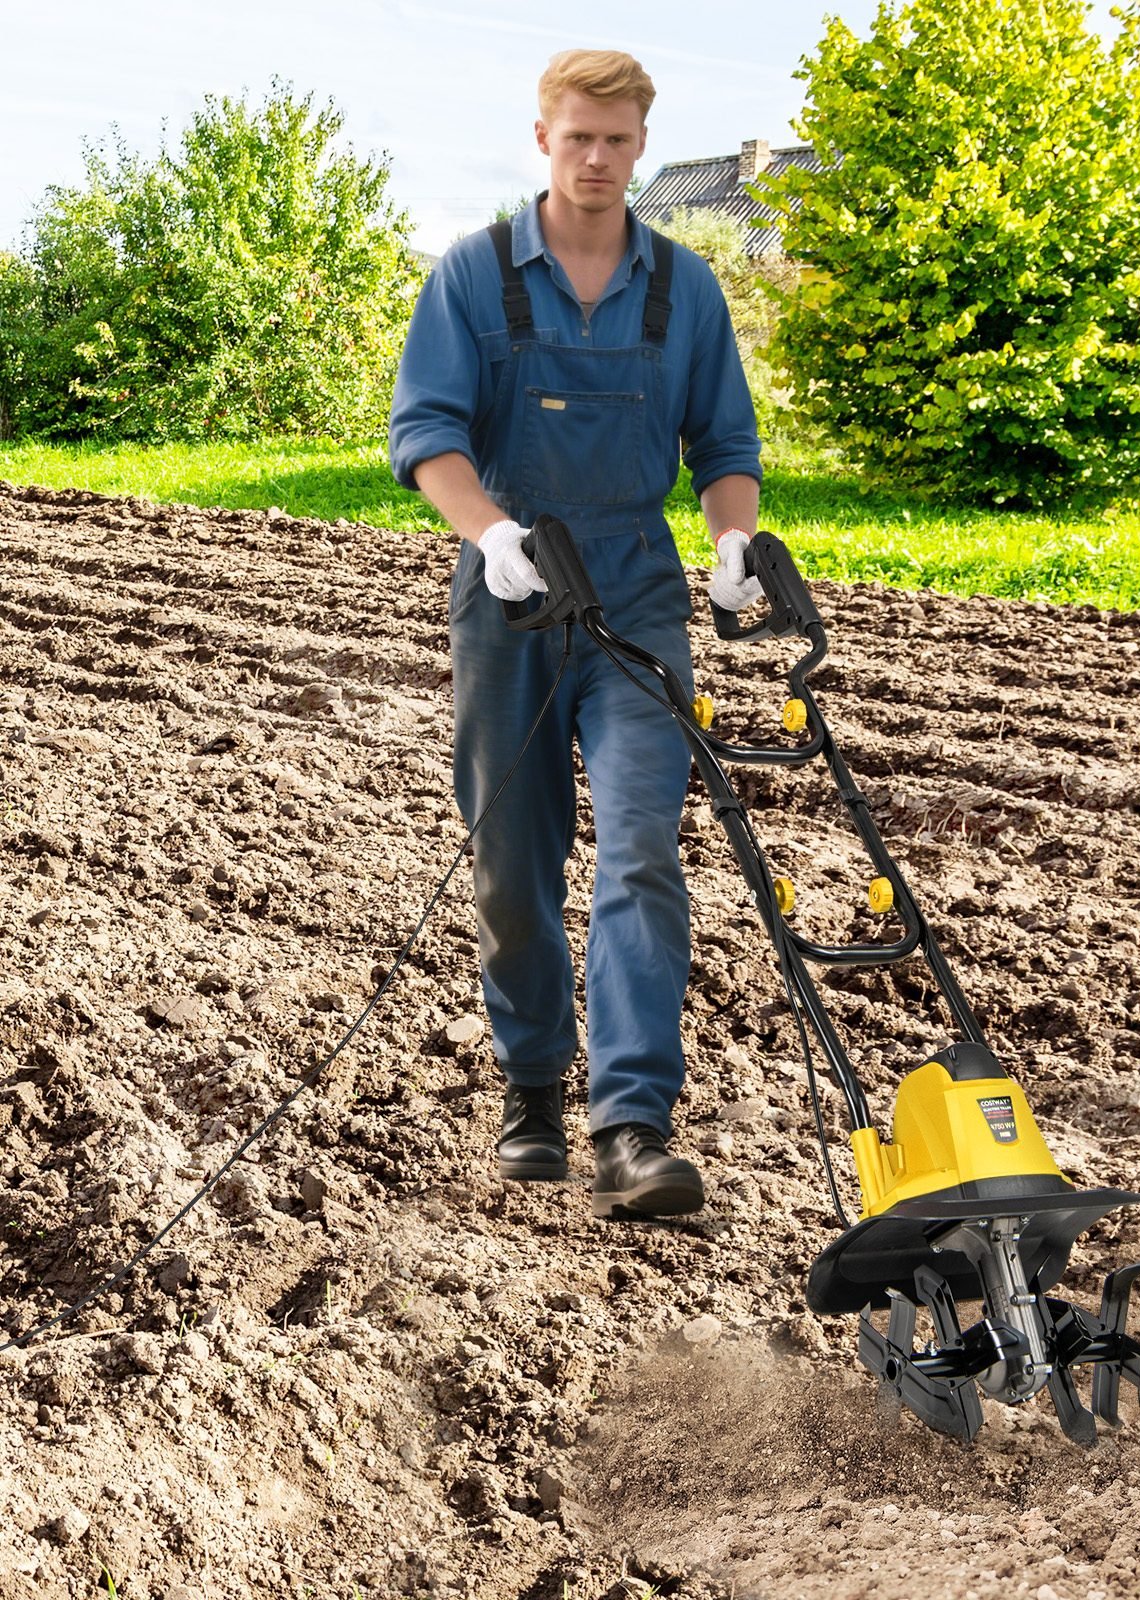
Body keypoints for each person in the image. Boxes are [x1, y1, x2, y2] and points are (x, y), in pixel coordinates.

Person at [388, 49, 766, 1219]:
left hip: (637, 600)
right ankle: (532, 1090)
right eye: (577, 137)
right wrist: (491, 533)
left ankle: (633, 1123)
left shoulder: (684, 288)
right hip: (510, 597)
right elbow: (427, 434)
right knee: (512, 863)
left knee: (642, 848)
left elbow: (724, 445)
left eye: (617, 139)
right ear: (542, 138)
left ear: (642, 145)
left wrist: (733, 541)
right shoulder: (475, 274)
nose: (597, 158)